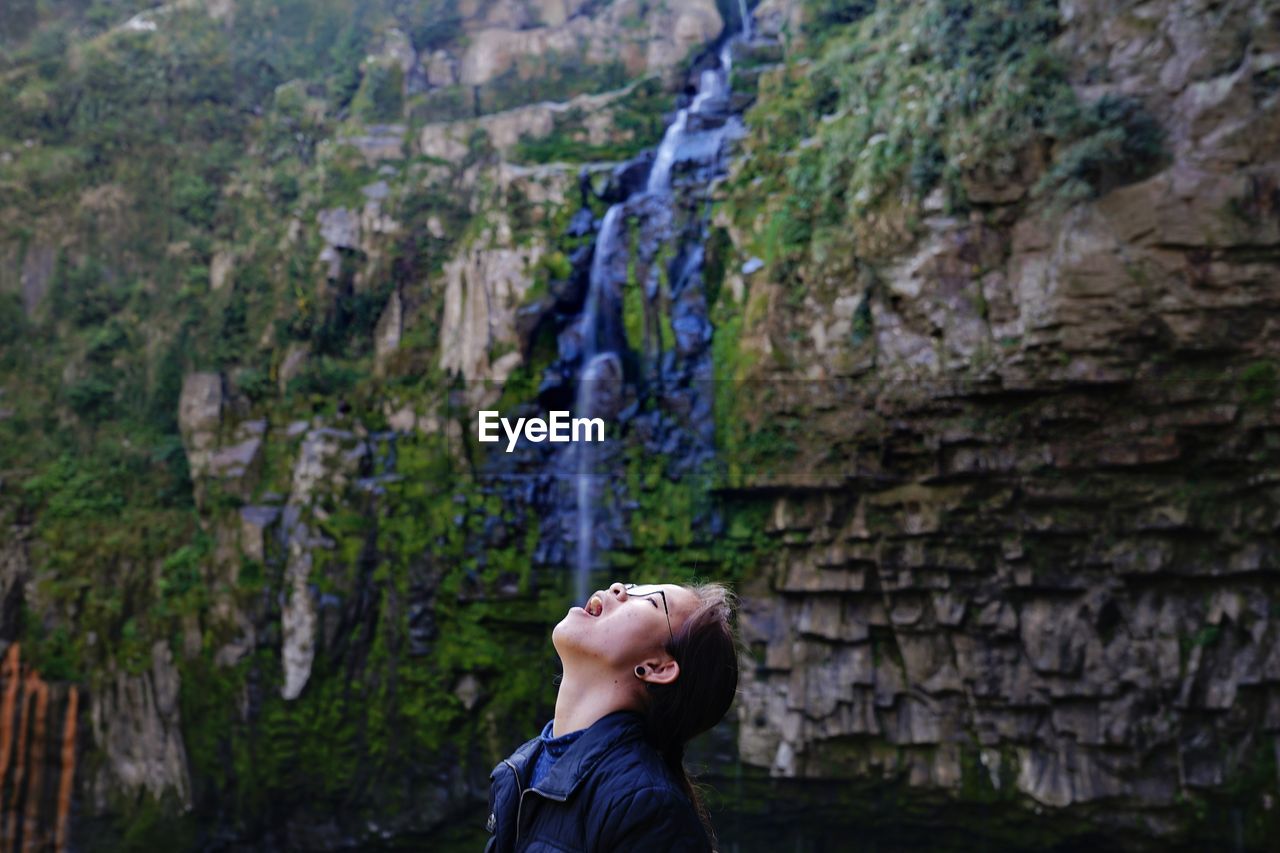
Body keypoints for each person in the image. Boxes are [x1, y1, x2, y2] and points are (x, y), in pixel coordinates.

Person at [484, 581, 739, 852]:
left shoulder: (648, 809)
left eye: (652, 601)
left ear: (657, 668)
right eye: (632, 585)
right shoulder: (519, 770)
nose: (618, 588)